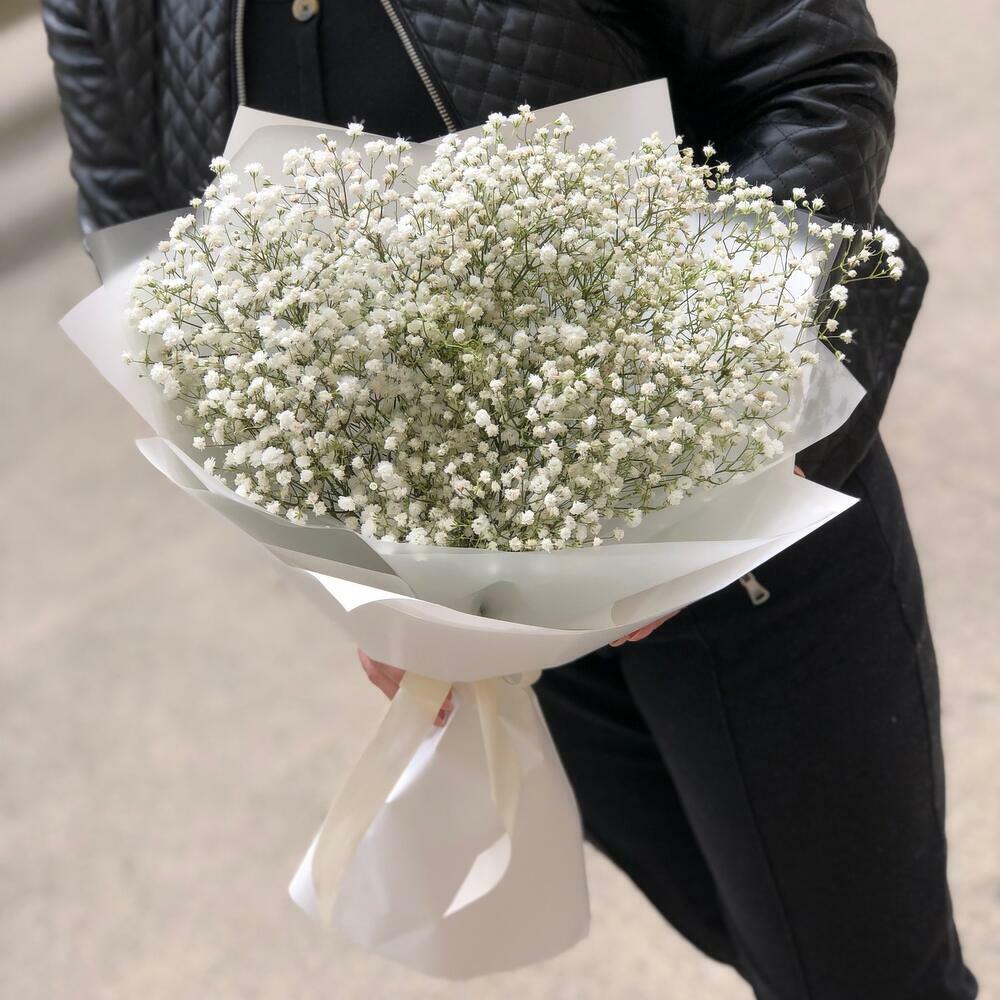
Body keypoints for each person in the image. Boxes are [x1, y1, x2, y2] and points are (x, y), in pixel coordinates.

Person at [43, 2, 976, 996]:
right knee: (751, 925)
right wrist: (347, 564)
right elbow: (143, 244)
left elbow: (814, 75)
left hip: (741, 524)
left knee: (863, 967)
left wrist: (714, 420)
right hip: (473, 590)